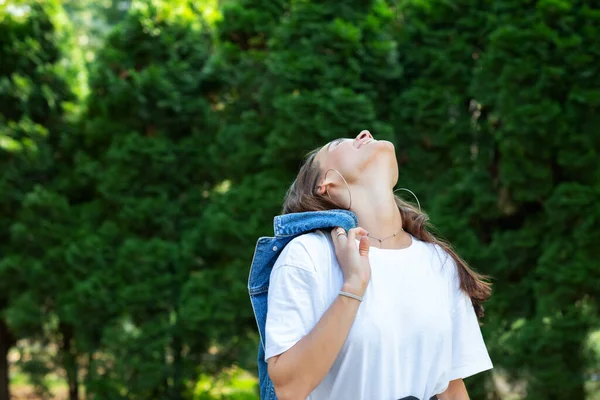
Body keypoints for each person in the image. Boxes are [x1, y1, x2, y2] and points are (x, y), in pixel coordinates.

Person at [263, 130, 493, 400]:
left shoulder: (438, 262)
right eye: (341, 143)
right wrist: (353, 285)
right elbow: (289, 389)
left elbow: (451, 390)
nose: (365, 134)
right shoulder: (307, 256)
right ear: (324, 184)